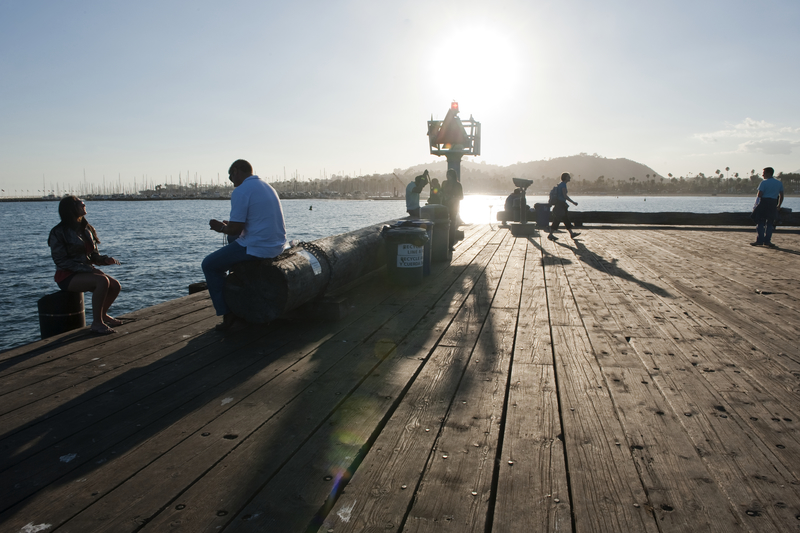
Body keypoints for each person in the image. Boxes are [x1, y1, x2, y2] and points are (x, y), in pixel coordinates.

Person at [203, 159, 287, 331]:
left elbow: (234, 230)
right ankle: (240, 283)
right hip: (277, 245)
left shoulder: (241, 191)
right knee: (233, 242)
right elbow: (247, 224)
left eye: (230, 177)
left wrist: (220, 228)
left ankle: (229, 316)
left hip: (258, 247)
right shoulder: (267, 187)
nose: (231, 182)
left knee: (210, 265)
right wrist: (231, 226)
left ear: (236, 172)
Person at [48, 195, 122, 335]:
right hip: (66, 275)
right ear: (71, 209)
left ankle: (103, 315)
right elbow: (61, 261)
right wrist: (88, 270)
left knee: (115, 285)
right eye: (80, 203)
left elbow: (92, 256)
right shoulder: (58, 232)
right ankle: (97, 323)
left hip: (86, 272)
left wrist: (105, 260)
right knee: (102, 281)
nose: (83, 205)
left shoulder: (86, 229)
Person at [750, 166, 784, 247]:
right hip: (773, 203)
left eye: (764, 173)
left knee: (760, 222)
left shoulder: (764, 183)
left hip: (764, 202)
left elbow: (760, 194)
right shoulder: (779, 183)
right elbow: (781, 195)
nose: (763, 175)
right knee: (770, 223)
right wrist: (779, 205)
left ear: (769, 173)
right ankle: (767, 241)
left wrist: (756, 205)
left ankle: (760, 240)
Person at [548, 172, 581, 241]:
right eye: (568, 177)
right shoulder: (563, 185)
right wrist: (573, 202)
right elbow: (565, 196)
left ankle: (571, 233)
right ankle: (550, 234)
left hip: (560, 204)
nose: (570, 178)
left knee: (565, 219)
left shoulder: (560, 184)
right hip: (560, 204)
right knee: (557, 219)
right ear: (565, 178)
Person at [441, 169, 464, 249]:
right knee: (443, 224)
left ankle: (450, 244)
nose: (447, 176)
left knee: (452, 226)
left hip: (454, 207)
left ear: (453, 176)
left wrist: (453, 198)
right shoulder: (444, 183)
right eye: (447, 174)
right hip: (444, 207)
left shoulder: (458, 185)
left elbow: (461, 197)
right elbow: (440, 192)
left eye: (449, 175)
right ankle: (443, 242)